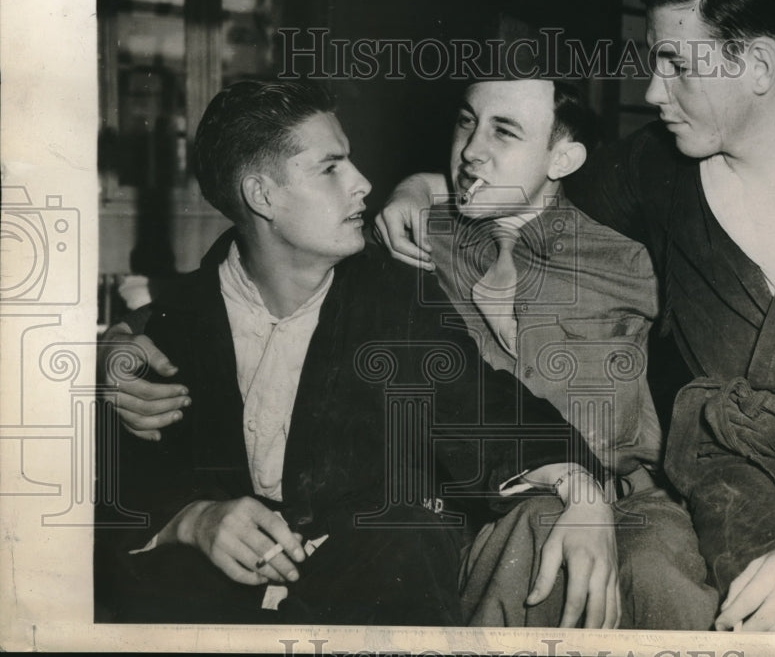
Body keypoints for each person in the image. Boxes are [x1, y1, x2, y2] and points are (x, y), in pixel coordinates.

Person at [376, 0, 775, 634]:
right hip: (729, 514)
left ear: (755, 64)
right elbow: (532, 189)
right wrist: (424, 188)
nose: (654, 91)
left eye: (673, 65)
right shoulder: (657, 170)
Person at [94, 80, 615, 625]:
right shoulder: (175, 326)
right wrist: (194, 520)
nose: (364, 183)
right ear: (262, 195)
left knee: (408, 536)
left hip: (366, 587)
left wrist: (582, 491)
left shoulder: (390, 297)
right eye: (330, 168)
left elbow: (483, 404)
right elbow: (106, 492)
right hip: (212, 610)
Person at [412, 72, 716, 628]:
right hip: (496, 508)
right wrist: (409, 189)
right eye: (465, 122)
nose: (471, 150)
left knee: (663, 583)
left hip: (632, 505)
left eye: (504, 132)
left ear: (563, 159)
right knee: (536, 544)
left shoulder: (627, 262)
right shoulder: (419, 245)